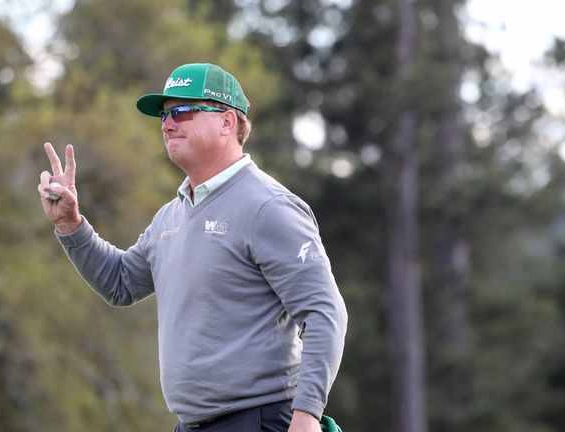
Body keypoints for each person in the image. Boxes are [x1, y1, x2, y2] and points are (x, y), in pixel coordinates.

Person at [38, 63, 348, 432]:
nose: (169, 123)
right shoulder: (171, 215)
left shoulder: (269, 207)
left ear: (228, 122)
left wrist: (307, 415)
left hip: (259, 420)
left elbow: (324, 313)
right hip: (191, 424)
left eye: (183, 111)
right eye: (165, 115)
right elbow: (119, 283)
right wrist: (70, 224)